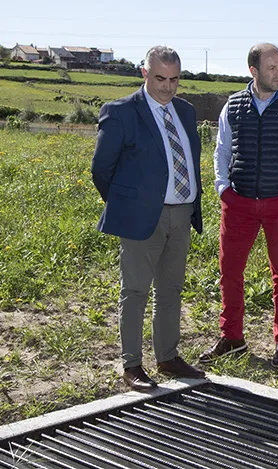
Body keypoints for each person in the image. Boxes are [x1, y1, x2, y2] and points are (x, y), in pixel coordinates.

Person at [91, 45, 205, 391]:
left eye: (174, 79)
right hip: (142, 217)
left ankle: (168, 358)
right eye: (160, 78)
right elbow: (101, 169)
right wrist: (130, 205)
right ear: (144, 73)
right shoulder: (121, 112)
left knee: (170, 289)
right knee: (136, 291)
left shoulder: (185, 111)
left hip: (181, 214)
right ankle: (132, 365)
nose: (167, 87)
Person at [200, 43, 278, 368]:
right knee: (230, 272)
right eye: (271, 68)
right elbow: (222, 149)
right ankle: (232, 337)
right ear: (253, 71)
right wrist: (222, 187)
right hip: (238, 203)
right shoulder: (233, 105)